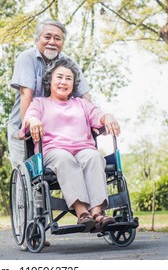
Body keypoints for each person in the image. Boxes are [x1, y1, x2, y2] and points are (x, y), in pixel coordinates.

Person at [19, 57, 119, 232]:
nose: (63, 82)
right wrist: (33, 120)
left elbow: (99, 116)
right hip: (53, 151)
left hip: (83, 149)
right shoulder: (39, 103)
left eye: (68, 78)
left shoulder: (81, 104)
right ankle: (82, 213)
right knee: (64, 158)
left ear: (73, 84)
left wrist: (108, 116)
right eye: (59, 77)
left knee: (94, 156)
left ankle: (97, 213)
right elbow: (29, 117)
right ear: (50, 81)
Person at [7, 18, 91, 167]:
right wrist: (28, 128)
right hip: (24, 125)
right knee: (26, 174)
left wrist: (91, 124)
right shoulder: (26, 58)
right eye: (47, 37)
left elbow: (84, 96)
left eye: (57, 38)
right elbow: (27, 94)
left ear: (63, 43)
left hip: (55, 133)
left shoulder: (68, 62)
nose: (52, 42)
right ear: (37, 39)